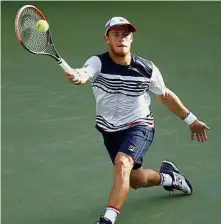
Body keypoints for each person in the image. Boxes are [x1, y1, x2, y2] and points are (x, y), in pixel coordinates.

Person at [64, 17, 210, 224]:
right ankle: (169, 178)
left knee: (122, 163)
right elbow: (85, 72)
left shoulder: (147, 69)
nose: (121, 38)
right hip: (110, 129)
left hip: (139, 125)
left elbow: (164, 95)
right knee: (136, 180)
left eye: (125, 35)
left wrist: (191, 120)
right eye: (116, 34)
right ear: (107, 39)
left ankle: (107, 219)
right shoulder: (98, 62)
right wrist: (79, 76)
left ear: (131, 39)